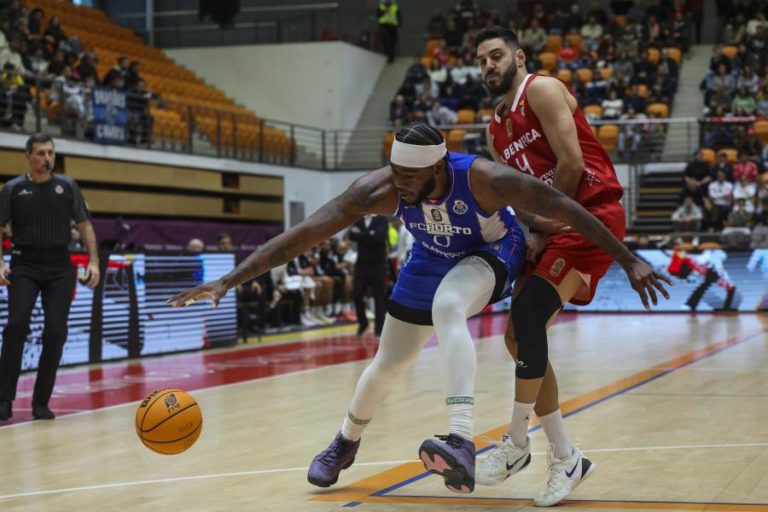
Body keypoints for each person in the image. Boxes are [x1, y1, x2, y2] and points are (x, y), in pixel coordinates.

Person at [167, 123, 668, 495]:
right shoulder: (379, 189)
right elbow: (304, 234)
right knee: (388, 364)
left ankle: (462, 438)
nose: (400, 184)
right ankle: (345, 440)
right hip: (431, 258)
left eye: (410, 175)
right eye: (396, 173)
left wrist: (630, 261)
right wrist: (232, 279)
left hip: (494, 252)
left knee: (450, 305)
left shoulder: (486, 179)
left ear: (437, 167)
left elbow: (570, 210)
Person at [474, 26, 670, 506]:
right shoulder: (494, 127)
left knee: (526, 316)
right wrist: (530, 226)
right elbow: (517, 191)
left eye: (496, 56)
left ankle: (517, 442)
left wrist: (542, 227)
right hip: (551, 223)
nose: (488, 67)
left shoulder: (540, 89)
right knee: (517, 336)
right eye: (481, 61)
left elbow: (572, 164)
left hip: (592, 214)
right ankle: (565, 455)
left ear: (518, 57)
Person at [0, 133, 100, 421]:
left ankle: (40, 402)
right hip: (24, 265)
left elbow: (85, 225)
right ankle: (4, 399)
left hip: (59, 267)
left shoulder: (68, 187)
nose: (47, 158)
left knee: (56, 332)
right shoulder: (13, 189)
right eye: (41, 153)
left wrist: (94, 261)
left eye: (51, 153)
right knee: (16, 326)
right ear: (28, 157)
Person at [348, 214, 388, 336]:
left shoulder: (382, 219)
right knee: (357, 294)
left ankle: (379, 328)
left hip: (378, 264)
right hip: (361, 264)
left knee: (378, 297)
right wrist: (370, 234)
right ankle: (363, 323)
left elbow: (380, 236)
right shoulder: (358, 219)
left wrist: (361, 235)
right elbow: (351, 235)